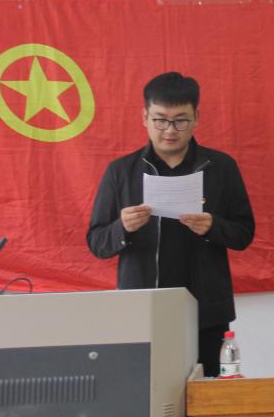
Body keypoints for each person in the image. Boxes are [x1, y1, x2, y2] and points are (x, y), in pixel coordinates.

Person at [86, 72, 255, 377]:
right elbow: (97, 242)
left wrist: (213, 227)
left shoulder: (221, 167)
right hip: (142, 312)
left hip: (207, 312)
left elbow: (244, 234)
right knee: (143, 391)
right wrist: (123, 227)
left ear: (196, 117)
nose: (170, 131)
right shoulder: (121, 172)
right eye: (160, 120)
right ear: (145, 117)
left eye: (181, 121)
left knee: (208, 393)